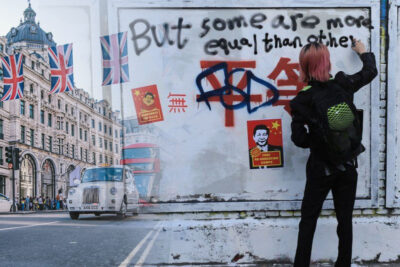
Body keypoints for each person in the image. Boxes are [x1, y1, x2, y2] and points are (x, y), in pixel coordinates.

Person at [290, 40, 377, 267]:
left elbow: (298, 139)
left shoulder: (301, 101)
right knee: (344, 221)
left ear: (304, 66)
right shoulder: (343, 84)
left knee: (308, 221)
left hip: (320, 169)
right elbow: (370, 72)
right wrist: (362, 51)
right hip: (348, 166)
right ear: (326, 62)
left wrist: (318, 141)